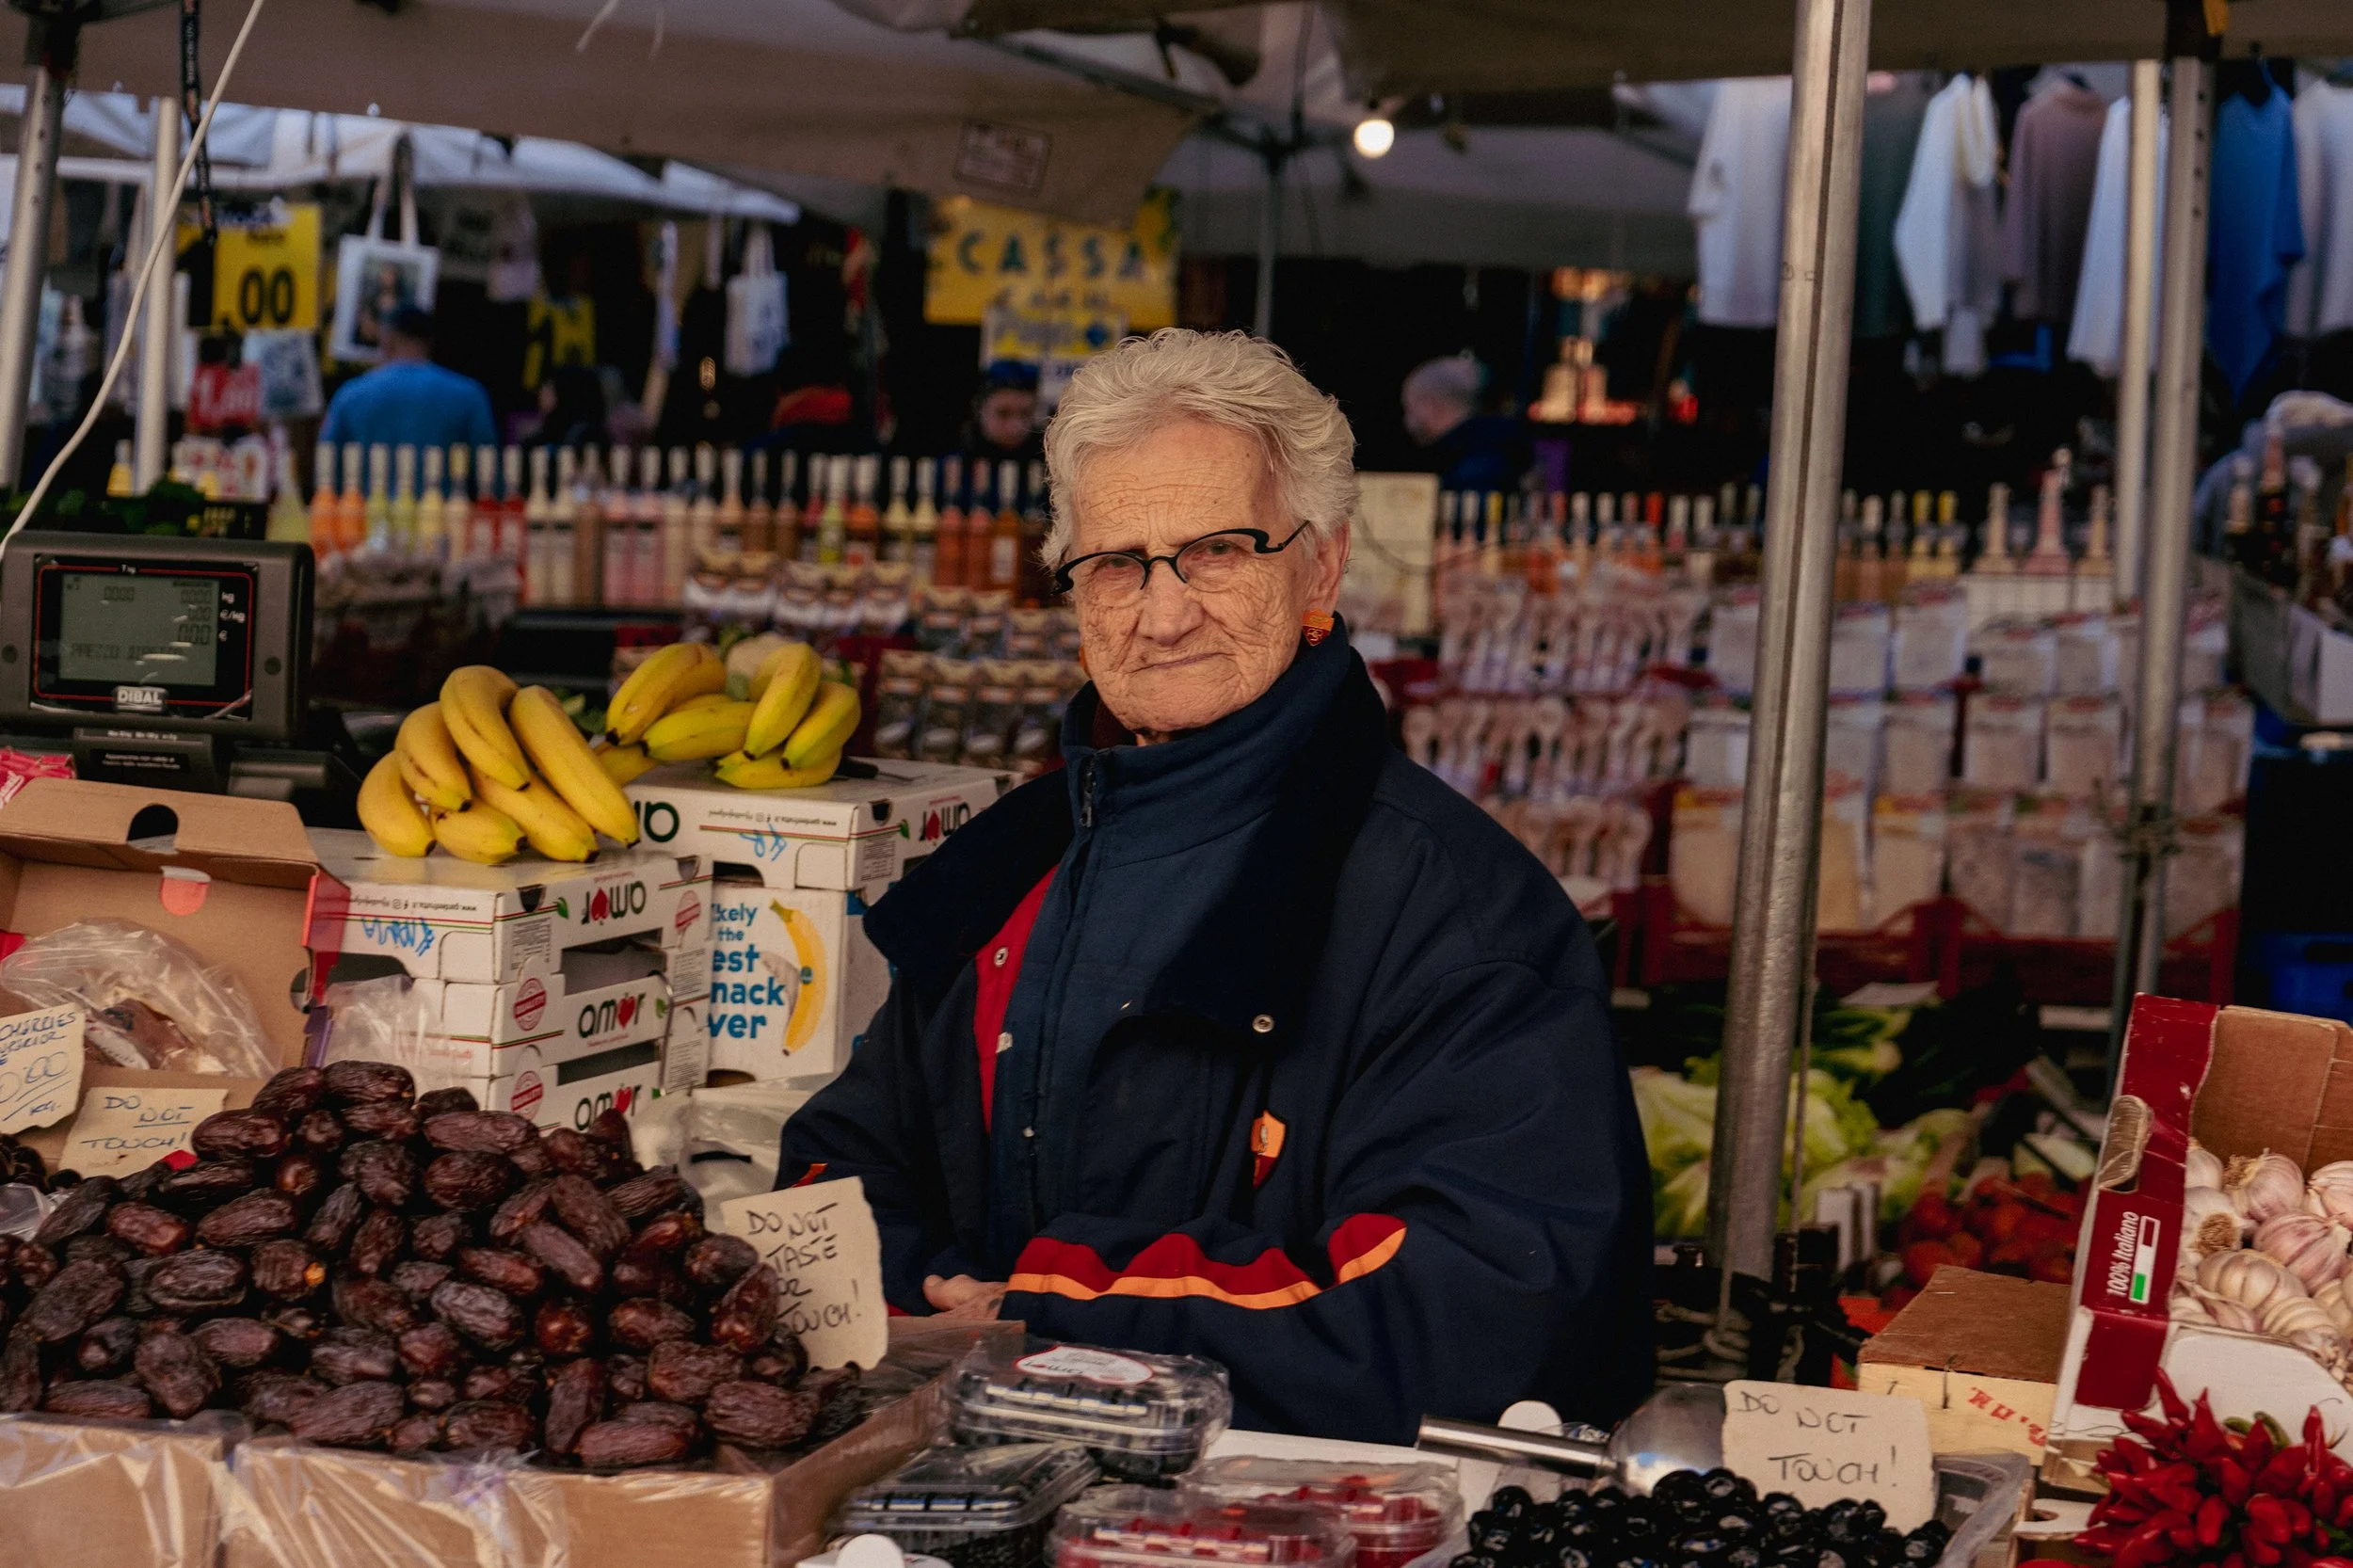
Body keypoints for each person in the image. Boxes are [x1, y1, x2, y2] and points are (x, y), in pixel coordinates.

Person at [776, 328, 1652, 1443]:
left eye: (1217, 551)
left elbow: (1483, 1308)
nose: (1162, 609)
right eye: (1115, 562)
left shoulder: (1457, 912)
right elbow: (831, 1178)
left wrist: (1040, 1312)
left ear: (1319, 567)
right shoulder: (1007, 866)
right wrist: (937, 1295)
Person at [321, 307, 499, 454]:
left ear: (386, 340)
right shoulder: (469, 395)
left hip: (369, 497)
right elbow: (488, 472)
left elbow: (328, 465)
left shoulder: (350, 395)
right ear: (430, 342)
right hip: (444, 497)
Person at [1401, 354, 1529, 492]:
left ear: (1429, 405)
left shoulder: (1470, 467)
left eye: (1409, 408)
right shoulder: (1506, 443)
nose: (1407, 421)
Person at [960, 359, 1044, 466]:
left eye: (1026, 413)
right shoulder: (951, 467)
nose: (1015, 427)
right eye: (1003, 413)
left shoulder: (1051, 465)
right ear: (980, 409)